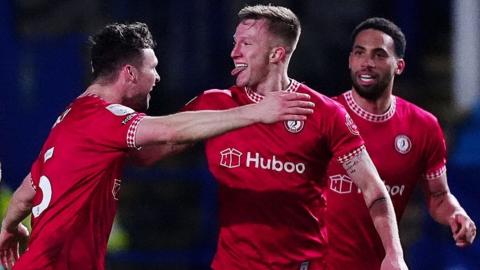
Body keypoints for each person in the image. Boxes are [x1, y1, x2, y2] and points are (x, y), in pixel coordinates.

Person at [0, 22, 315, 270]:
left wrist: (10, 226)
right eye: (153, 68)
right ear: (130, 74)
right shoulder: (105, 118)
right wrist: (256, 112)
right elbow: (169, 130)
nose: (158, 77)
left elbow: (29, 189)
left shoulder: (70, 119)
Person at [183, 5, 407, 270]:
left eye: (246, 43)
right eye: (235, 42)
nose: (234, 52)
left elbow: (372, 187)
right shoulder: (213, 104)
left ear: (276, 53)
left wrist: (394, 254)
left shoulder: (325, 113)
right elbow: (148, 149)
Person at [325, 17, 477, 270]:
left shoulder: (423, 126)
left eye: (379, 55)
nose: (367, 63)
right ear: (350, 60)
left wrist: (456, 213)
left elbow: (438, 197)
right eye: (359, 53)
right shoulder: (323, 116)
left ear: (399, 66)